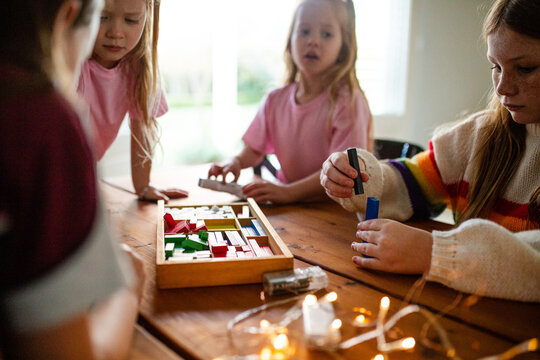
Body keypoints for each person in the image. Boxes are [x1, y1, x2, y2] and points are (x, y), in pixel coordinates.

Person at [320, 0, 540, 302]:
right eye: (496, 66)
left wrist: (434, 252)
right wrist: (361, 177)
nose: (503, 87)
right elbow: (410, 183)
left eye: (525, 68)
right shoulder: (477, 137)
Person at [0, 0, 146, 358]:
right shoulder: (38, 121)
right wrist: (126, 289)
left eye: (130, 20)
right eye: (101, 16)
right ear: (68, 17)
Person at [208, 0, 373, 204]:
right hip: (289, 210)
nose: (313, 41)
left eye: (326, 34)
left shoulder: (349, 102)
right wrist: (235, 161)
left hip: (332, 211)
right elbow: (254, 149)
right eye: (304, 31)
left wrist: (287, 193)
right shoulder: (274, 100)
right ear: (290, 41)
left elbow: (342, 173)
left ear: (344, 47)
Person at [78, 0, 188, 202]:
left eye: (131, 20)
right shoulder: (72, 64)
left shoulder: (141, 70)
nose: (116, 33)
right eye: (102, 17)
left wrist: (143, 186)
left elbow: (143, 128)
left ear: (148, 16)